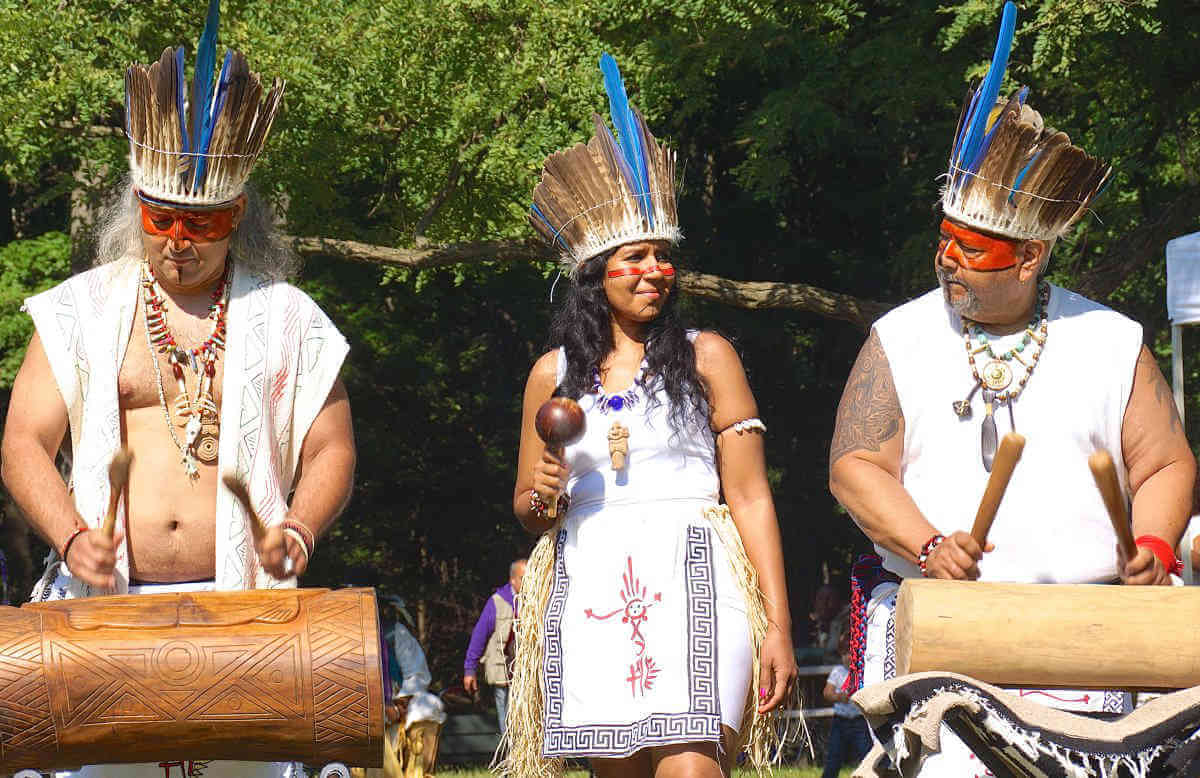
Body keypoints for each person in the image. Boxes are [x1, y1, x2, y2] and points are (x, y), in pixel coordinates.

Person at [828, 3, 1193, 773]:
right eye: (944, 242)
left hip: (1085, 639)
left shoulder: (1111, 340)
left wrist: (1155, 545)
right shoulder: (899, 338)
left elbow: (1165, 462)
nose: (948, 260)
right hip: (945, 628)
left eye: (971, 249)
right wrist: (929, 545)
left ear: (1029, 257)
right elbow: (855, 466)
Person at [0, 4, 354, 776]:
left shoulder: (288, 316)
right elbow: (23, 443)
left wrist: (297, 529)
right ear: (138, 207)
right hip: (106, 617)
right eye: (162, 220)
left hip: (248, 611)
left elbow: (331, 447)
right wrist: (71, 538)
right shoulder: (79, 311)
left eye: (203, 224)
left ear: (238, 216)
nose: (179, 242)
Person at [503, 55, 797, 778]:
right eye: (634, 257)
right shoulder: (550, 376)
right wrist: (546, 496)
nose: (654, 272)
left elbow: (751, 497)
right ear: (594, 274)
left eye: (663, 258)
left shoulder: (708, 356)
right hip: (594, 578)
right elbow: (529, 513)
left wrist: (779, 624)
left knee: (693, 766)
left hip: (696, 570)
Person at [463, 558, 526, 733]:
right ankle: (509, 747)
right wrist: (470, 669)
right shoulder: (497, 602)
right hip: (501, 669)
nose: (529, 582)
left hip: (525, 670)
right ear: (512, 580)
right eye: (524, 578)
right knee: (506, 717)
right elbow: (479, 635)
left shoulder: (537, 601)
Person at [821, 635, 870, 778]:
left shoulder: (864, 673)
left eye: (851, 653)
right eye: (844, 654)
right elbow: (827, 693)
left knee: (866, 755)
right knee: (834, 757)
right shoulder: (838, 672)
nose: (848, 657)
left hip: (860, 721)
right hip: (840, 721)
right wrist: (838, 697)